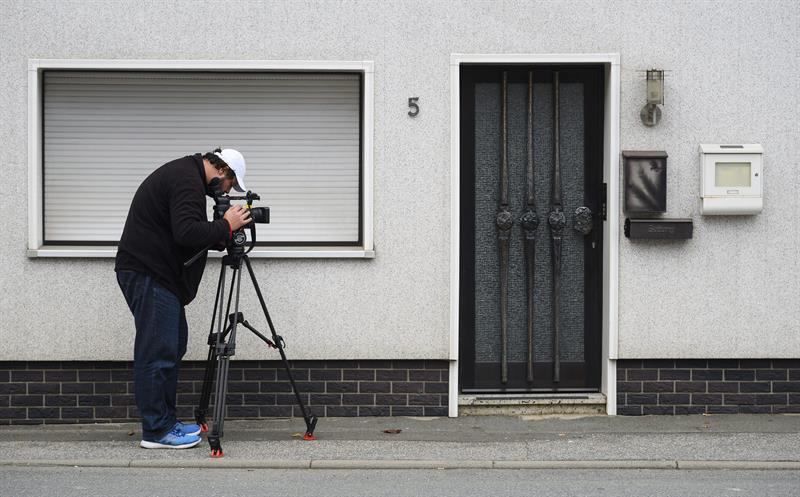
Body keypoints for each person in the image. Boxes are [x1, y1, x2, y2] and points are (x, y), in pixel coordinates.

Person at [115, 148, 252, 449]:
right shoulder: (185, 179)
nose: (227, 191)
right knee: (158, 351)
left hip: (157, 275)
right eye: (230, 184)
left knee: (173, 345)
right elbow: (187, 232)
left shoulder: (185, 175)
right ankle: (157, 431)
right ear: (222, 172)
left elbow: (188, 232)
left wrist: (220, 233)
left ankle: (166, 422)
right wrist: (227, 224)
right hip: (149, 273)